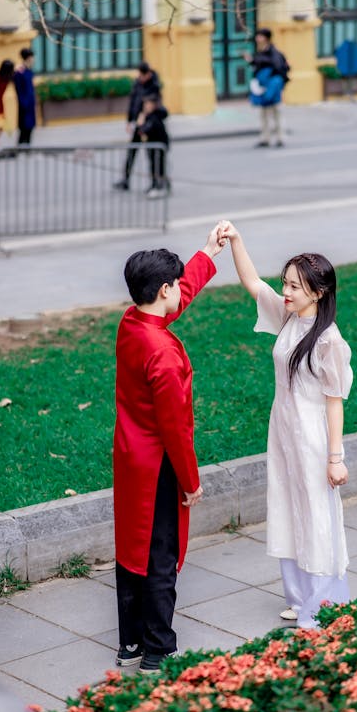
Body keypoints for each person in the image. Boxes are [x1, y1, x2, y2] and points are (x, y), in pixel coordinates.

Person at [220, 221, 353, 629]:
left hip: (313, 438)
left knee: (316, 513)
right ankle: (299, 597)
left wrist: (336, 458)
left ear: (319, 292)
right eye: (286, 283)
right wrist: (236, 241)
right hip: (282, 431)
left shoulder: (329, 341)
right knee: (287, 507)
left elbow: (335, 404)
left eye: (295, 286)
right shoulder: (289, 317)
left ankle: (324, 600)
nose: (287, 292)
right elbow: (251, 282)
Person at [113, 224, 225, 673]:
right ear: (164, 288)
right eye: (177, 284)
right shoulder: (163, 352)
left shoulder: (132, 322)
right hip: (160, 464)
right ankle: (158, 648)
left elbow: (169, 307)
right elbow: (176, 427)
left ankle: (130, 644)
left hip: (130, 457)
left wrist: (207, 253)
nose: (181, 291)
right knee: (161, 554)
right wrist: (191, 481)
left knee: (132, 549)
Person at [113, 61, 162, 191]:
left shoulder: (154, 85)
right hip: (137, 125)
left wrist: (143, 118)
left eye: (142, 75)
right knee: (131, 153)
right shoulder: (138, 83)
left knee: (151, 154)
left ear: (148, 74)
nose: (140, 77)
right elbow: (133, 102)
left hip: (148, 126)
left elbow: (153, 105)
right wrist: (129, 121)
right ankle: (126, 180)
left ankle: (155, 183)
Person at [244, 28, 290, 148]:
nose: (257, 38)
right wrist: (251, 61)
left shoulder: (273, 52)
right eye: (257, 36)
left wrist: (272, 83)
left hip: (272, 87)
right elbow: (258, 66)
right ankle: (265, 138)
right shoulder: (261, 52)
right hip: (263, 86)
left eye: (260, 36)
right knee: (264, 113)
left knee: (276, 112)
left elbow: (278, 68)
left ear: (266, 38)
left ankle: (280, 138)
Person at [133, 93, 170, 198]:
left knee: (159, 167)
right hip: (153, 146)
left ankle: (160, 186)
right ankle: (157, 184)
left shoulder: (154, 117)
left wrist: (140, 123)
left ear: (153, 105)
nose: (145, 106)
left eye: (147, 104)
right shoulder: (150, 116)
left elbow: (143, 130)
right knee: (154, 166)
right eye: (145, 104)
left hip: (159, 146)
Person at [13, 47, 36, 145]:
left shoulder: (29, 71)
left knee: (30, 126)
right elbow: (18, 89)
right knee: (24, 126)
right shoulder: (20, 72)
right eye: (32, 57)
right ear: (28, 58)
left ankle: (27, 146)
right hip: (24, 104)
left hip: (30, 103)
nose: (33, 59)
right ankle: (20, 146)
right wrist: (23, 103)